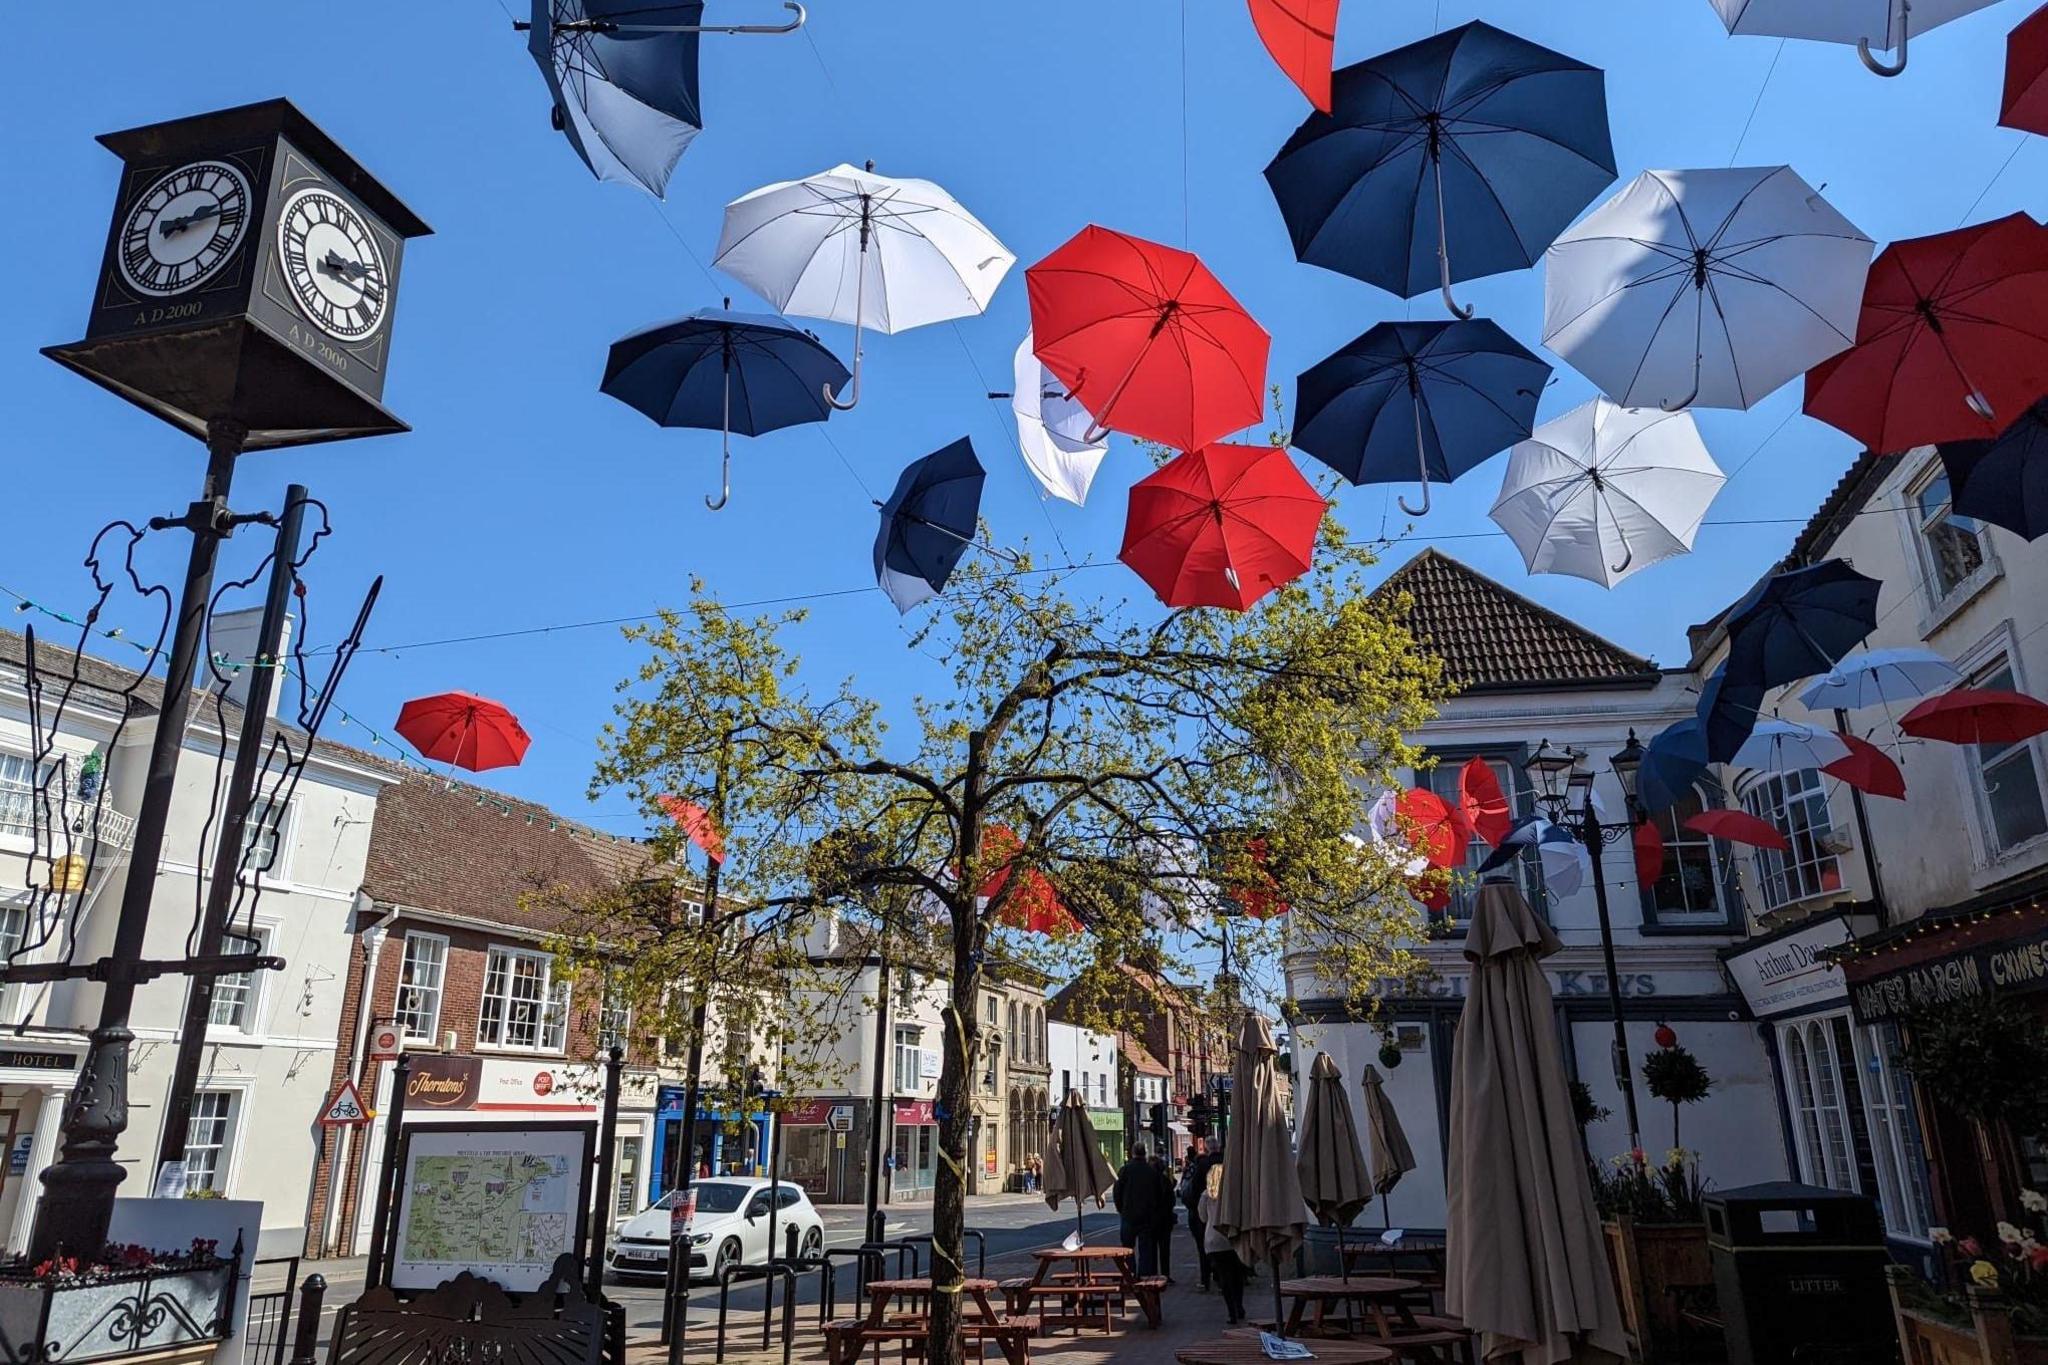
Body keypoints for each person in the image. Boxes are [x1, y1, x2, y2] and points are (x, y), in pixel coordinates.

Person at [1198, 1159, 1247, 1324]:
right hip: (1232, 1237)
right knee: (1237, 1274)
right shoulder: (1233, 1194)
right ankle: (1240, 1306)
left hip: (1213, 1239)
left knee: (1223, 1276)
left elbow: (1202, 1217)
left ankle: (1231, 1312)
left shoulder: (1206, 1195)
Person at [1112, 1142, 1161, 1275]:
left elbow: (1117, 1191)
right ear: (1145, 1153)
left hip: (1128, 1215)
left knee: (1127, 1248)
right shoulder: (1151, 1171)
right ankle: (1144, 1277)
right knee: (1146, 1249)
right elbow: (1159, 1193)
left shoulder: (1125, 1170)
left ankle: (1130, 1275)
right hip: (1147, 1216)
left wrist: (1121, 1208)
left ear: (1132, 1153)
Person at [1179, 1144, 1215, 1291]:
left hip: (1196, 1214)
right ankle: (1219, 1278)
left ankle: (1205, 1279)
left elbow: (1186, 1192)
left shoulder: (1193, 1170)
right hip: (1214, 1214)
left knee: (1202, 1249)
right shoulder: (1214, 1167)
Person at [1149, 1151, 1178, 1283]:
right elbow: (1172, 1200)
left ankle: (1153, 1273)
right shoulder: (1166, 1180)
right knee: (1164, 1249)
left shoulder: (1148, 1182)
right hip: (1165, 1219)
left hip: (1151, 1220)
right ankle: (1165, 1274)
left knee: (1151, 1248)